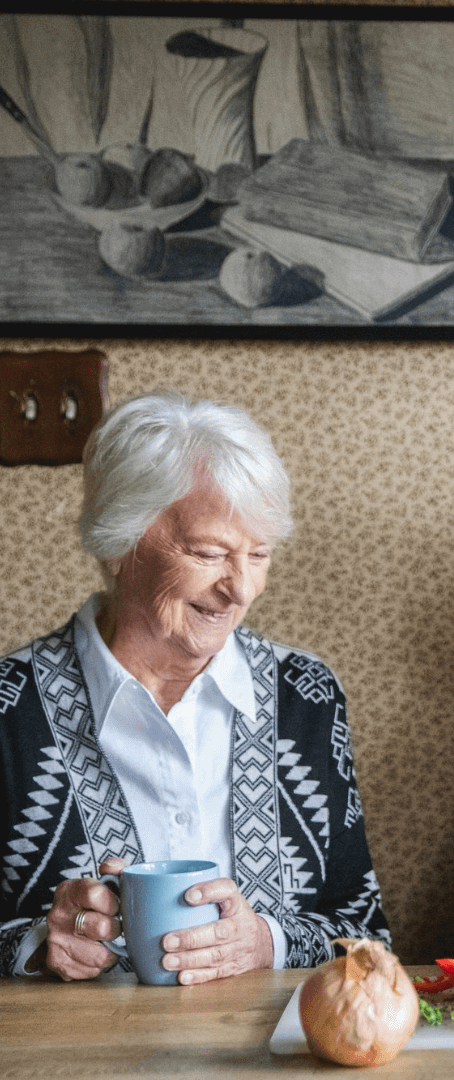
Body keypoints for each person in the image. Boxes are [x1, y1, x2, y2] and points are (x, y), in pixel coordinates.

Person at [0, 392, 389, 981]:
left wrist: (265, 943)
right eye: (210, 553)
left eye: (258, 555)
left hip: (272, 1064)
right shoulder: (9, 706)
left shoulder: (305, 694)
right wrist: (32, 944)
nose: (242, 590)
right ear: (119, 543)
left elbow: (366, 936)